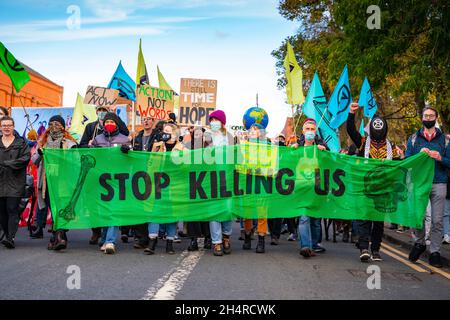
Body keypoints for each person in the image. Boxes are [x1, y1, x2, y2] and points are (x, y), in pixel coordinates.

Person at [347, 102, 402, 262]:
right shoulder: (363, 142)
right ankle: (364, 248)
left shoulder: (392, 146)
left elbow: (399, 166)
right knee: (364, 219)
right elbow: (351, 130)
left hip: (383, 190)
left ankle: (376, 250)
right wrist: (351, 113)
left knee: (378, 222)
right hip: (365, 188)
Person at [406, 106, 450, 268]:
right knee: (418, 216)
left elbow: (449, 162)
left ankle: (435, 252)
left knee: (437, 220)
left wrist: (440, 158)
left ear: (436, 118)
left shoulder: (445, 140)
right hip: (419, 183)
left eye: (431, 116)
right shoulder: (413, 139)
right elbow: (407, 160)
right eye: (426, 115)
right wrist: (419, 156)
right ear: (422, 118)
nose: (429, 118)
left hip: (439, 182)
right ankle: (419, 243)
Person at [30, 116, 78, 251]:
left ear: (63, 126)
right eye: (51, 124)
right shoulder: (42, 141)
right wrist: (39, 153)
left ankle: (58, 237)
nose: (54, 126)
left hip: (62, 182)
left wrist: (67, 155)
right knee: (53, 208)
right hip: (47, 182)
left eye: (57, 124)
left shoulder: (68, 142)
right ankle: (59, 237)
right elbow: (34, 161)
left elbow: (75, 161)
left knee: (60, 209)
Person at [91, 112, 131, 254]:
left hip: (117, 180)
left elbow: (132, 160)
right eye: (106, 121)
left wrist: (128, 152)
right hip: (101, 180)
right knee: (103, 211)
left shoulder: (124, 139)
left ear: (117, 124)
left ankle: (110, 241)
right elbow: (91, 159)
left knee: (113, 210)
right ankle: (104, 238)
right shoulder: (97, 139)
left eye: (112, 122)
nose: (109, 124)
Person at [144, 122, 185, 255]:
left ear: (174, 134)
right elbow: (150, 163)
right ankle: (152, 241)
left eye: (167, 131)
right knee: (155, 212)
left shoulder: (182, 149)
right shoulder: (157, 146)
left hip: (174, 186)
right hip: (158, 184)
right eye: (163, 130)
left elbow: (186, 167)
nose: (164, 133)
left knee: (172, 215)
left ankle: (169, 243)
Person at [292, 118, 328, 258]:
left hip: (316, 188)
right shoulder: (297, 147)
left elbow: (330, 165)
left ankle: (314, 245)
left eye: (312, 129)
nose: (310, 132)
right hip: (301, 188)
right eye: (307, 129)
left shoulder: (321, 147)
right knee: (304, 217)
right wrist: (292, 151)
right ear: (302, 131)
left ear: (316, 131)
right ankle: (305, 246)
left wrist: (324, 153)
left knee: (315, 219)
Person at [205, 110, 238, 256]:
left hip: (228, 179)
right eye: (211, 120)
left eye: (215, 120)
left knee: (227, 211)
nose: (213, 122)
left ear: (222, 122)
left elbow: (238, 157)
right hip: (211, 179)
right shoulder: (206, 138)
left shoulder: (231, 138)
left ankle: (226, 237)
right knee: (214, 211)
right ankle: (216, 242)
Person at [0, 116, 31, 248]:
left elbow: (26, 158)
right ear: (1, 127)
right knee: (1, 211)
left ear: (13, 127)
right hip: (0, 182)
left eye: (9, 125)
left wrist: (9, 164)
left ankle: (10, 237)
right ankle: (7, 234)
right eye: (4, 125)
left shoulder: (21, 142)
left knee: (12, 208)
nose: (6, 127)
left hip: (15, 181)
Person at [242, 122, 272, 254]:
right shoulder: (244, 147)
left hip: (263, 183)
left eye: (256, 130)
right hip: (248, 182)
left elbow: (273, 166)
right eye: (251, 130)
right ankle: (247, 236)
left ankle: (261, 240)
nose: (253, 132)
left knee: (262, 212)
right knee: (247, 212)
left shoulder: (269, 147)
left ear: (261, 132)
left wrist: (263, 169)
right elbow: (239, 164)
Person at [184, 126, 212, 251]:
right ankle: (193, 239)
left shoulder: (209, 148)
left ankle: (208, 238)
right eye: (195, 134)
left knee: (206, 213)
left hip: (206, 184)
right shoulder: (188, 147)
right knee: (192, 213)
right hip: (192, 183)